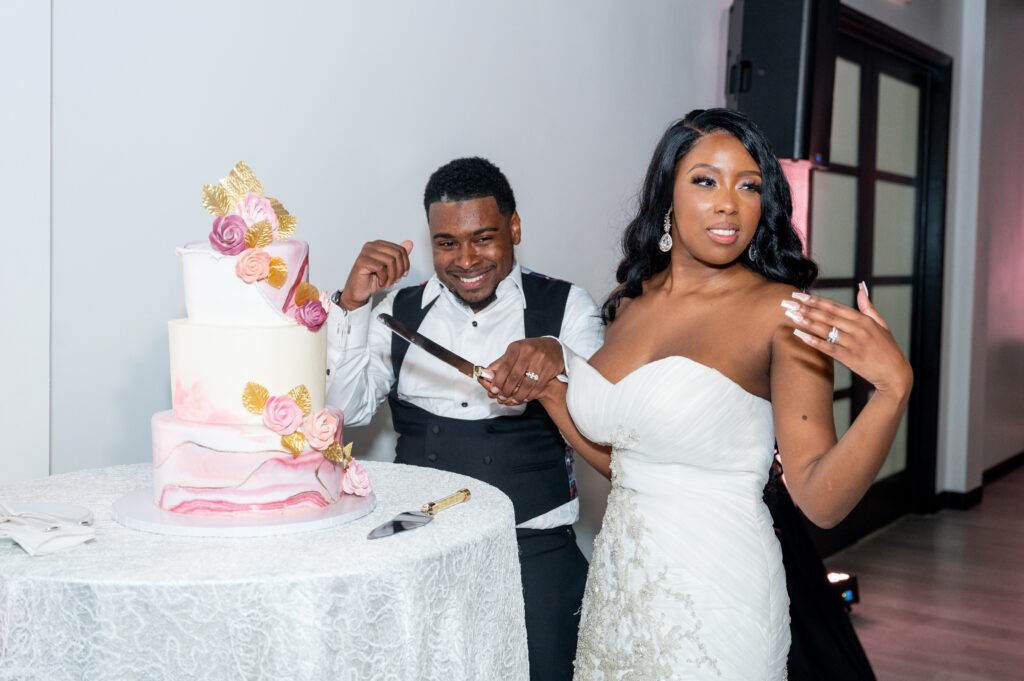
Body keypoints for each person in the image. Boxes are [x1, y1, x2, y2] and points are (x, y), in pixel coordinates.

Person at [526, 109, 913, 680]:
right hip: (620, 595)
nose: (729, 203)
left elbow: (821, 501)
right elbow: (636, 465)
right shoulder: (628, 304)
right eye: (705, 180)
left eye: (749, 185)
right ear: (667, 196)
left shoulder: (782, 315)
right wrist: (555, 397)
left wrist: (892, 390)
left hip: (717, 600)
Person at [325, 157, 604, 681]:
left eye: (484, 238)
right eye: (447, 243)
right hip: (422, 553)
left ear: (514, 228)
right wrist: (354, 303)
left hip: (537, 556)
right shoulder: (399, 312)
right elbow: (344, 414)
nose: (466, 259)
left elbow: (603, 429)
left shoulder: (567, 307)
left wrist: (557, 362)